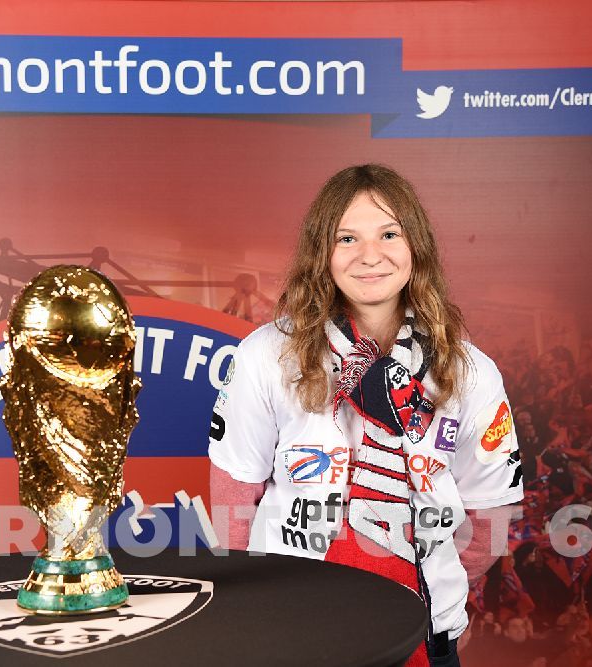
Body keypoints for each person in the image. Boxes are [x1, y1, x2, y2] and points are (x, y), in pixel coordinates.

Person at [208, 164, 524, 666]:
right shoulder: (266, 354)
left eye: (389, 234)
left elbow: (489, 515)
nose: (370, 255)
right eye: (347, 237)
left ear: (414, 245)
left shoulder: (469, 369)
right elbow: (233, 498)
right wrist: (259, 600)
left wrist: (437, 588)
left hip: (423, 629)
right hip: (292, 620)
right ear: (322, 252)